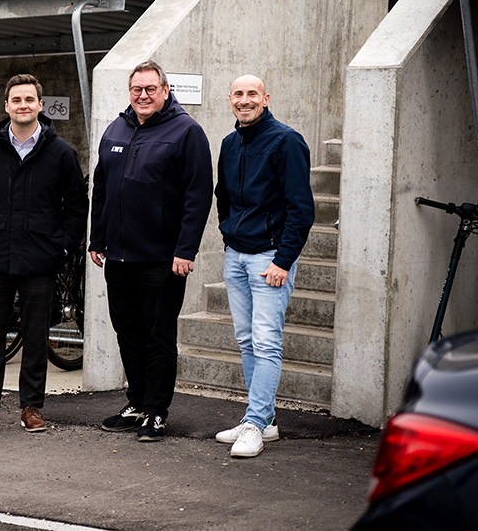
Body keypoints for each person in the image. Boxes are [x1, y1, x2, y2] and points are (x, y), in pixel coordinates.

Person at [89, 60, 213, 441]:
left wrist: (185, 250)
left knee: (158, 336)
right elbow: (102, 189)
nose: (143, 96)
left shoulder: (187, 131)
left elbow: (197, 195)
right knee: (127, 332)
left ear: (164, 90)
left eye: (150, 89)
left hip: (162, 259)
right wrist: (97, 239)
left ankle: (157, 411)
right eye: (136, 90)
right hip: (119, 257)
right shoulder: (116, 127)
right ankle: (138, 401)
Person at [0, 74, 87, 434]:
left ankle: (32, 407)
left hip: (40, 258)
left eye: (30, 99)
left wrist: (62, 244)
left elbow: (77, 205)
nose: (23, 105)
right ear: (7, 106)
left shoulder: (61, 152)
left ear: (40, 106)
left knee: (35, 335)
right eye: (16, 100)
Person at [213, 74, 314, 458]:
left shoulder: (286, 140)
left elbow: (301, 208)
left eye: (251, 93)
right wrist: (228, 239)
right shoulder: (229, 143)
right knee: (246, 340)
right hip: (236, 255)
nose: (244, 100)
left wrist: (283, 260)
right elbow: (224, 197)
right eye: (238, 94)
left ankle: (254, 424)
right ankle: (264, 421)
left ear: (265, 98)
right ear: (230, 100)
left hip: (269, 259)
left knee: (266, 341)